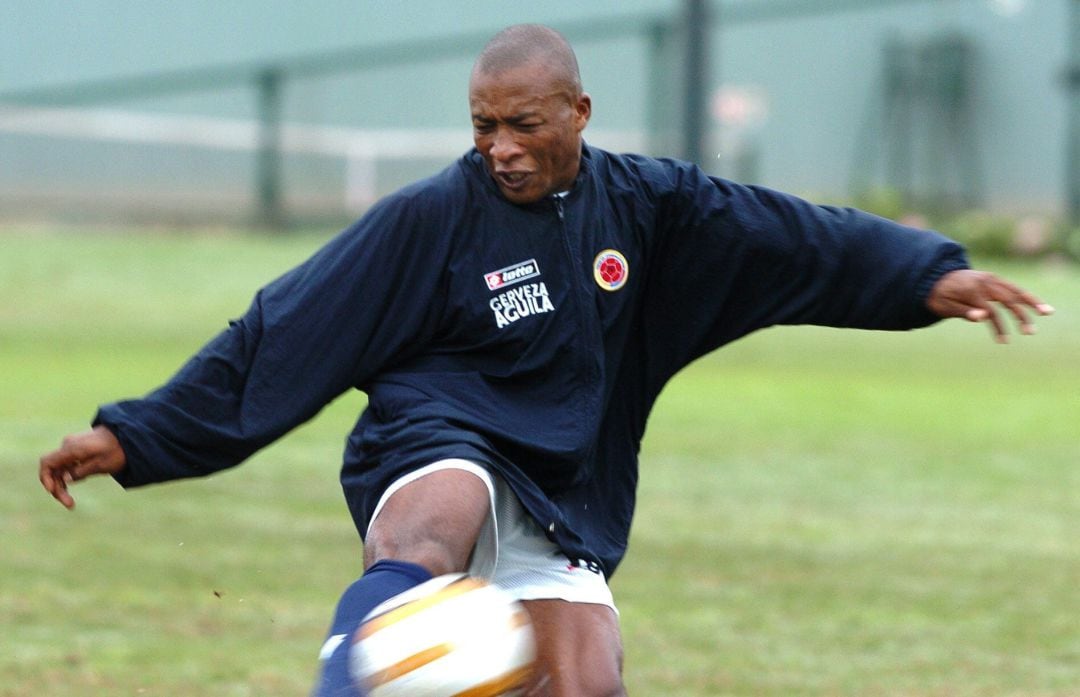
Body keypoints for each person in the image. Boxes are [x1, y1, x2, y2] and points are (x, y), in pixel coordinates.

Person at [39, 24, 1053, 697]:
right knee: (441, 516)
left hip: (568, 477)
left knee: (586, 683)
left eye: (524, 124)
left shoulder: (652, 208)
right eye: (484, 126)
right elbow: (286, 326)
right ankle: (354, 663)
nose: (502, 147)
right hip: (434, 432)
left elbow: (790, 237)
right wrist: (137, 436)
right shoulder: (431, 218)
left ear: (577, 113)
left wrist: (925, 276)